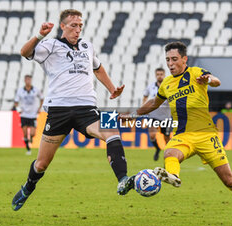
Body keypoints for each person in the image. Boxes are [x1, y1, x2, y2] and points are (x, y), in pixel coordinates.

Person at [12, 9, 134, 211]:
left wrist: (112, 89)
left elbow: (98, 68)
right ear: (63, 26)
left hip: (86, 108)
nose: (77, 30)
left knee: (112, 131)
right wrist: (40, 34)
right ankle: (28, 186)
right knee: (41, 164)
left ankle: (123, 180)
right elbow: (24, 52)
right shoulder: (50, 45)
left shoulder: (87, 46)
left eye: (80, 26)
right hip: (59, 110)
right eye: (73, 26)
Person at [123, 41, 232, 225]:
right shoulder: (167, 84)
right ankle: (174, 176)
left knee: (228, 180)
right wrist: (132, 115)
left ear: (184, 59)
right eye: (168, 60)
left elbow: (216, 81)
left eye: (174, 59)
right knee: (169, 152)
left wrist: (209, 80)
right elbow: (154, 103)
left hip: (206, 135)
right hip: (182, 135)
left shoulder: (196, 73)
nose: (170, 63)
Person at [142, 67, 172, 161]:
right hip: (153, 115)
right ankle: (158, 148)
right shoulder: (151, 86)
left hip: (166, 117)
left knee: (166, 139)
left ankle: (168, 158)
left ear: (164, 75)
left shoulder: (169, 86)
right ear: (155, 75)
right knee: (152, 135)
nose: (160, 76)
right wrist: (144, 108)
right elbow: (145, 96)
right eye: (158, 74)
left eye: (161, 74)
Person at [14, 75, 44, 155]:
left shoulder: (35, 90)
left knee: (32, 133)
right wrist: (18, 109)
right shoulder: (20, 91)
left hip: (33, 115)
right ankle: (28, 149)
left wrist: (39, 108)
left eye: (29, 79)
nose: (28, 81)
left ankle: (31, 138)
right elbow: (16, 102)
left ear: (31, 80)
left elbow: (42, 98)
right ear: (24, 80)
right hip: (24, 115)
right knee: (24, 133)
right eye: (27, 79)